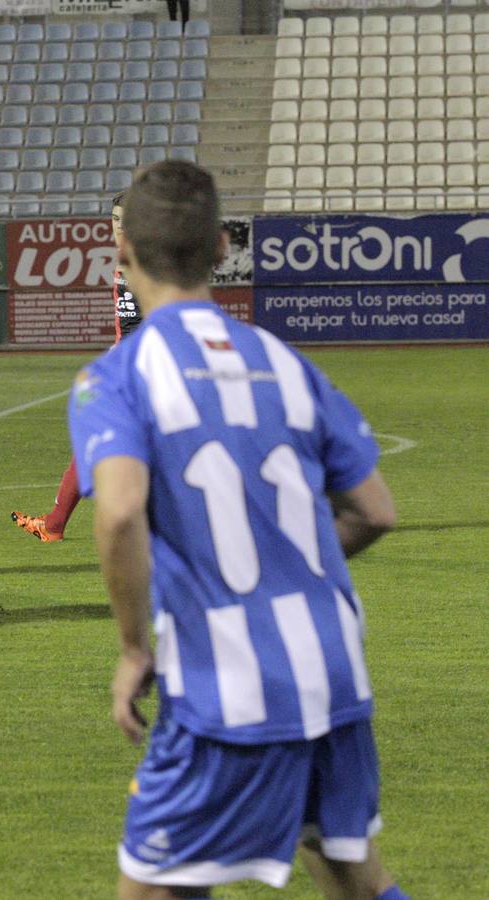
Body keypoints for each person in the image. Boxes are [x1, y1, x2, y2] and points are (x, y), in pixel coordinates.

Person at [67, 160, 407, 899]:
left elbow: (121, 510)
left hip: (229, 687)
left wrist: (133, 649)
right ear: (223, 247)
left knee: (156, 889)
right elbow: (375, 510)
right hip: (333, 668)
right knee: (353, 874)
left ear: (120, 252)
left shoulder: (117, 377)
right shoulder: (286, 362)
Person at [13, 191, 138, 542]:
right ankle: (54, 524)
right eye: (115, 221)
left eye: (127, 222)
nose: (119, 228)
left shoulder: (151, 265)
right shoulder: (125, 262)